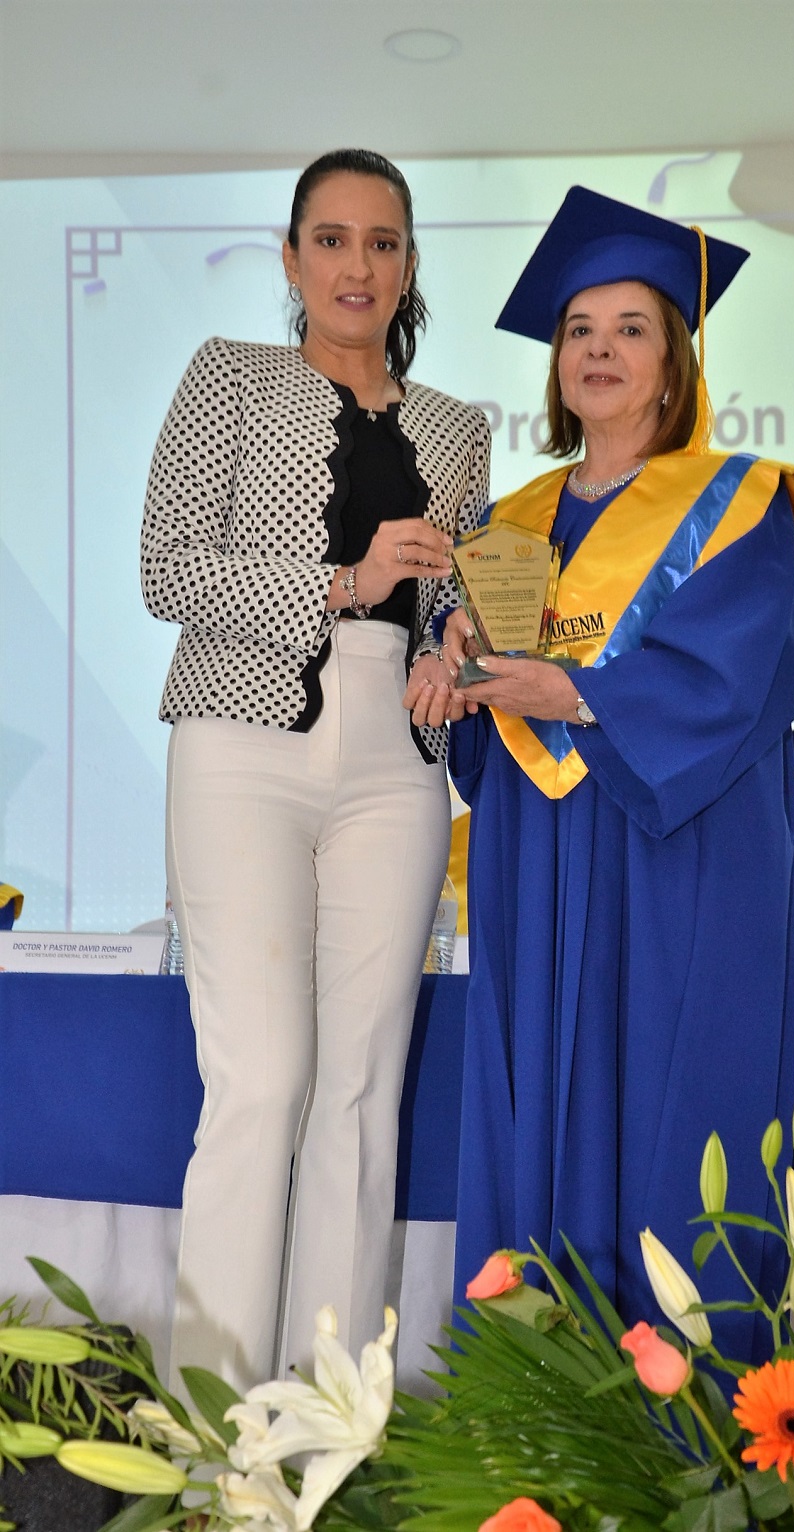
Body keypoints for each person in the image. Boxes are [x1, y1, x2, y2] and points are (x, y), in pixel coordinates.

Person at [140, 148, 490, 1392]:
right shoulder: (228, 375)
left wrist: (455, 641)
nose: (358, 265)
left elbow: (456, 603)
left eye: (382, 242)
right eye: (331, 239)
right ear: (291, 259)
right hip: (242, 739)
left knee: (360, 1088)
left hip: (395, 762)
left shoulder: (457, 427)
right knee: (262, 1078)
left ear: (409, 264)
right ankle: (212, 1436)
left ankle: (327, 1430)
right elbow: (167, 568)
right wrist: (345, 580)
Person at [441, 186, 794, 1349]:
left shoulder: (738, 503)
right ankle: (533, 1411)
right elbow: (482, 722)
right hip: (536, 848)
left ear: (671, 363)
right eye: (577, 330)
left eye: (630, 329)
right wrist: (452, 660)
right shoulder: (507, 522)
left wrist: (579, 694)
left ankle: (684, 1421)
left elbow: (731, 680)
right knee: (530, 1094)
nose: (598, 350)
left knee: (668, 1101)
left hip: (670, 844)